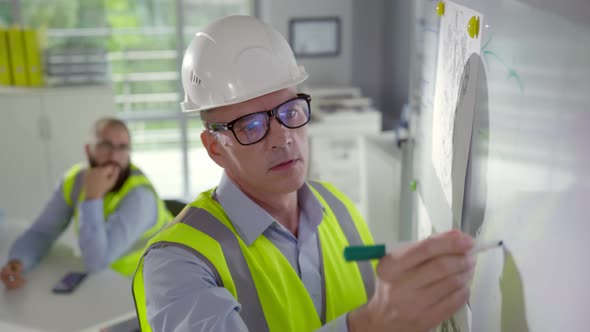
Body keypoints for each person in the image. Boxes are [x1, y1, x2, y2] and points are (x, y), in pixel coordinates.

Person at [132, 15, 475, 332]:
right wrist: (371, 322)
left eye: (290, 111)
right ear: (214, 148)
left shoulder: (339, 209)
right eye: (251, 126)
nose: (282, 138)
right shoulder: (176, 264)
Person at [1, 117, 173, 289]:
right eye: (105, 145)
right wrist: (19, 261)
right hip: (109, 282)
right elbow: (42, 231)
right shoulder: (74, 181)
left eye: (122, 147)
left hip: (152, 284)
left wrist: (93, 197)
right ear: (88, 149)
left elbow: (96, 262)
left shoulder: (140, 196)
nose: (114, 156)